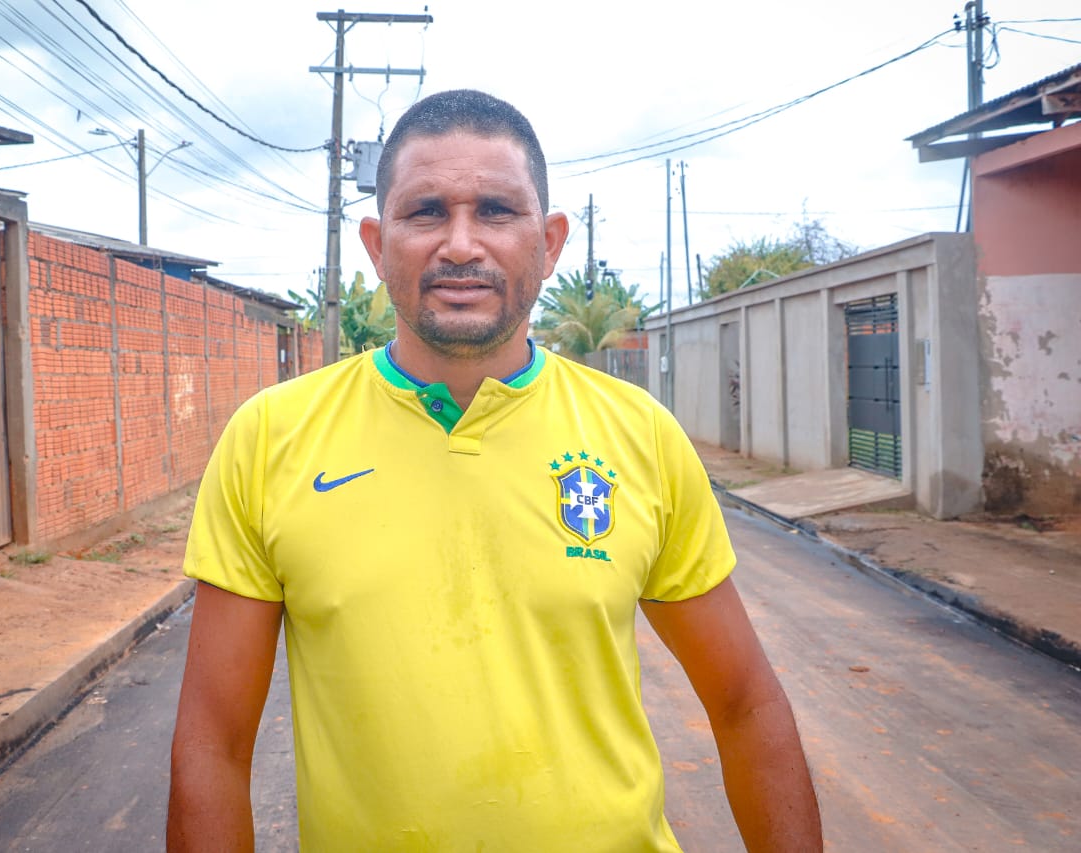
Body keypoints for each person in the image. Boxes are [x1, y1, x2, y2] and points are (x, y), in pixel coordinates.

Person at [167, 89, 821, 852]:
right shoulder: (270, 438)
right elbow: (211, 743)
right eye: (427, 212)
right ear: (378, 245)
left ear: (549, 242)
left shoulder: (640, 435)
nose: (461, 244)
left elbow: (745, 703)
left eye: (497, 211)